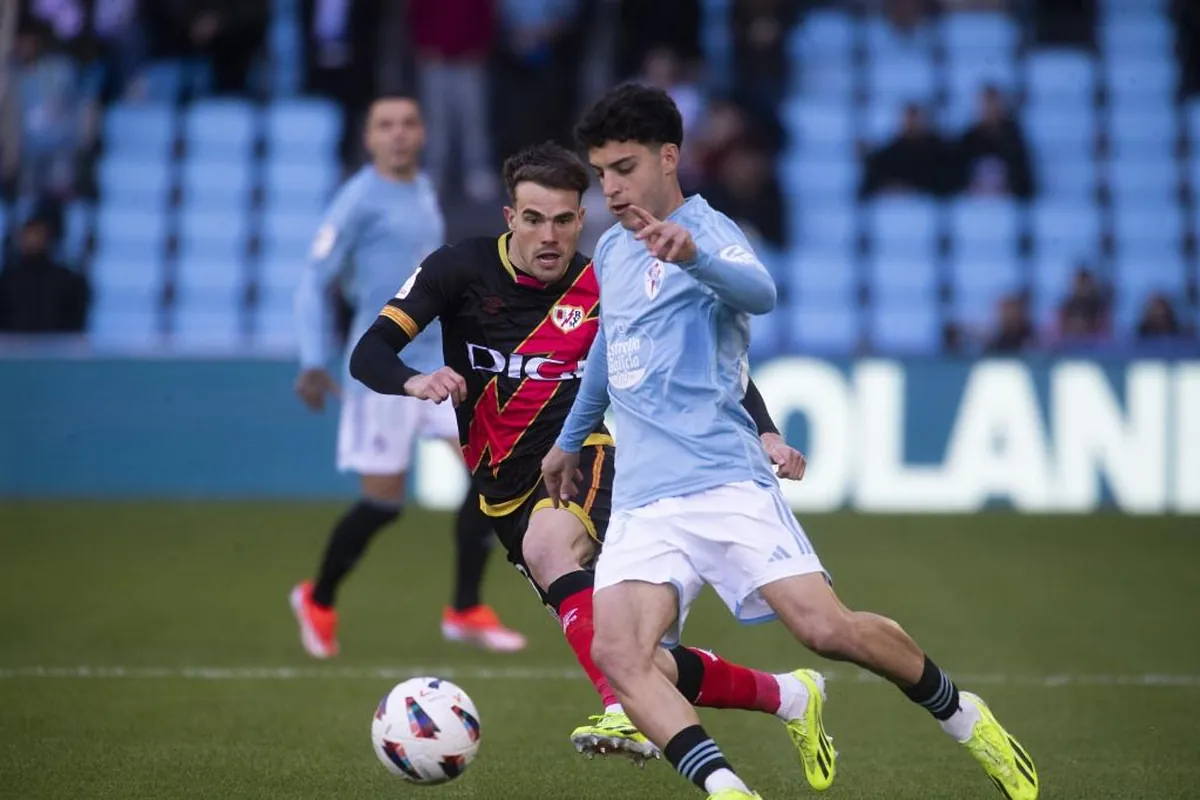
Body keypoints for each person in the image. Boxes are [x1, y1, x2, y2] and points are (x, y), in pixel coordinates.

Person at [542, 84, 1038, 800]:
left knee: (825, 629)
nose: (611, 188)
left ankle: (962, 713)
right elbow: (604, 352)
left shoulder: (708, 230)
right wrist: (569, 439)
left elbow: (761, 292)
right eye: (601, 173)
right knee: (620, 654)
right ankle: (729, 791)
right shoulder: (612, 251)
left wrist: (693, 257)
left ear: (668, 157)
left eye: (625, 168)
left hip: (721, 478)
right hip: (645, 499)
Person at [349, 142, 822, 765]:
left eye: (563, 220)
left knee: (554, 555)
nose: (549, 236)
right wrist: (413, 380)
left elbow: (709, 362)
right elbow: (369, 352)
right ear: (510, 217)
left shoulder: (607, 283)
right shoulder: (458, 269)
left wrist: (764, 430)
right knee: (633, 655)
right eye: (533, 219)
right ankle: (789, 695)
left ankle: (621, 710)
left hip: (580, 460)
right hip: (502, 492)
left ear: (581, 219)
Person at [289, 94, 525, 659]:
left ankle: (465, 608)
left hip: (439, 364)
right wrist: (312, 359)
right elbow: (312, 281)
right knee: (383, 503)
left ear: (423, 133)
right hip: (384, 368)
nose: (398, 133)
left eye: (408, 123)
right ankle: (317, 599)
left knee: (490, 475)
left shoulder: (421, 188)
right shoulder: (357, 200)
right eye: (385, 125)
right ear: (369, 138)